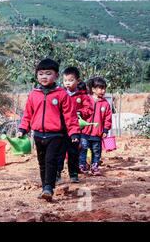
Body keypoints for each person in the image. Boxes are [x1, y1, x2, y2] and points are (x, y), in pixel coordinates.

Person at [17, 59, 81, 201]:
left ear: (56, 76)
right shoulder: (34, 94)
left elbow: (70, 115)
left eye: (48, 73)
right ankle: (45, 186)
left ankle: (48, 188)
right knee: (42, 162)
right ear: (36, 76)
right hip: (38, 135)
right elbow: (28, 113)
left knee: (50, 160)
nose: (44, 77)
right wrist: (23, 128)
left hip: (56, 135)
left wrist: (74, 132)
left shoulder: (62, 94)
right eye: (40, 74)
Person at [56, 67, 93, 183]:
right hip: (61, 129)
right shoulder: (60, 94)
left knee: (73, 152)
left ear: (78, 81)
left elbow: (89, 109)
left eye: (71, 80)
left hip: (75, 129)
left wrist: (80, 113)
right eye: (65, 80)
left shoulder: (82, 96)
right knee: (59, 152)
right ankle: (57, 174)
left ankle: (73, 174)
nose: (67, 83)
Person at [79, 77, 112, 175]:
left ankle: (95, 167)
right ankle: (82, 165)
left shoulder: (105, 104)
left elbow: (108, 118)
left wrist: (105, 130)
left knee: (96, 151)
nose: (103, 91)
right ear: (93, 89)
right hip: (84, 132)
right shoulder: (86, 100)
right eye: (100, 88)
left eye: (104, 88)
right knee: (83, 149)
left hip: (97, 133)